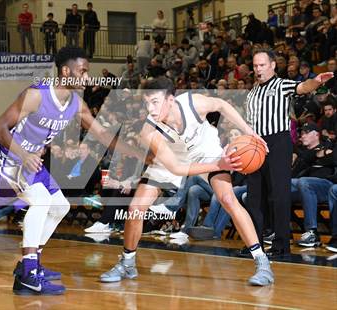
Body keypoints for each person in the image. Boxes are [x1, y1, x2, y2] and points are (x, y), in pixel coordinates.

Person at [0, 47, 143, 296]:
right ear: (66, 71)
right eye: (83, 71)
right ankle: (28, 274)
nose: (87, 77)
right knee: (42, 202)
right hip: (4, 155)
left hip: (29, 159)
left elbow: (101, 134)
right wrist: (24, 155)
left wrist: (136, 151)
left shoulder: (76, 103)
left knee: (60, 206)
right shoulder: (37, 95)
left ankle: (30, 263)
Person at [100, 76, 274, 286]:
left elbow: (221, 104)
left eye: (155, 102)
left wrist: (250, 132)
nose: (150, 109)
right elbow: (176, 168)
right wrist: (221, 165)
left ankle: (262, 264)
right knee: (136, 207)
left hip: (206, 152)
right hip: (173, 160)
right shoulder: (150, 130)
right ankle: (127, 263)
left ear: (171, 100)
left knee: (228, 198)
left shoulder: (193, 102)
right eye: (146, 103)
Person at [245, 49, 334, 258]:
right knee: (254, 197)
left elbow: (302, 87)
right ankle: (254, 245)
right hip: (255, 145)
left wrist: (317, 80)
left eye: (262, 65)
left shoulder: (281, 84)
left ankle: (281, 244)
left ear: (273, 65)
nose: (258, 69)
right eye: (255, 66)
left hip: (278, 141)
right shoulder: (251, 93)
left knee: (279, 195)